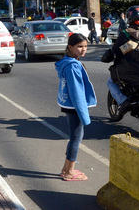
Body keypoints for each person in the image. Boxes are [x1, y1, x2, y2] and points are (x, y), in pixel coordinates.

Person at [56, 33, 97, 182]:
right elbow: (77, 92)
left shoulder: (68, 62)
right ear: (70, 47)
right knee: (76, 138)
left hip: (69, 104)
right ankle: (70, 172)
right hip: (75, 106)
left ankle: (66, 168)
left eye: (85, 46)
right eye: (80, 47)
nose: (83, 49)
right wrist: (84, 115)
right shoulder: (72, 66)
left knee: (74, 137)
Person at [106, 5, 139, 114]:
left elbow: (116, 50)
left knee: (111, 81)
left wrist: (109, 54)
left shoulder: (126, 33)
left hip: (133, 70)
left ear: (130, 19)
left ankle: (123, 101)